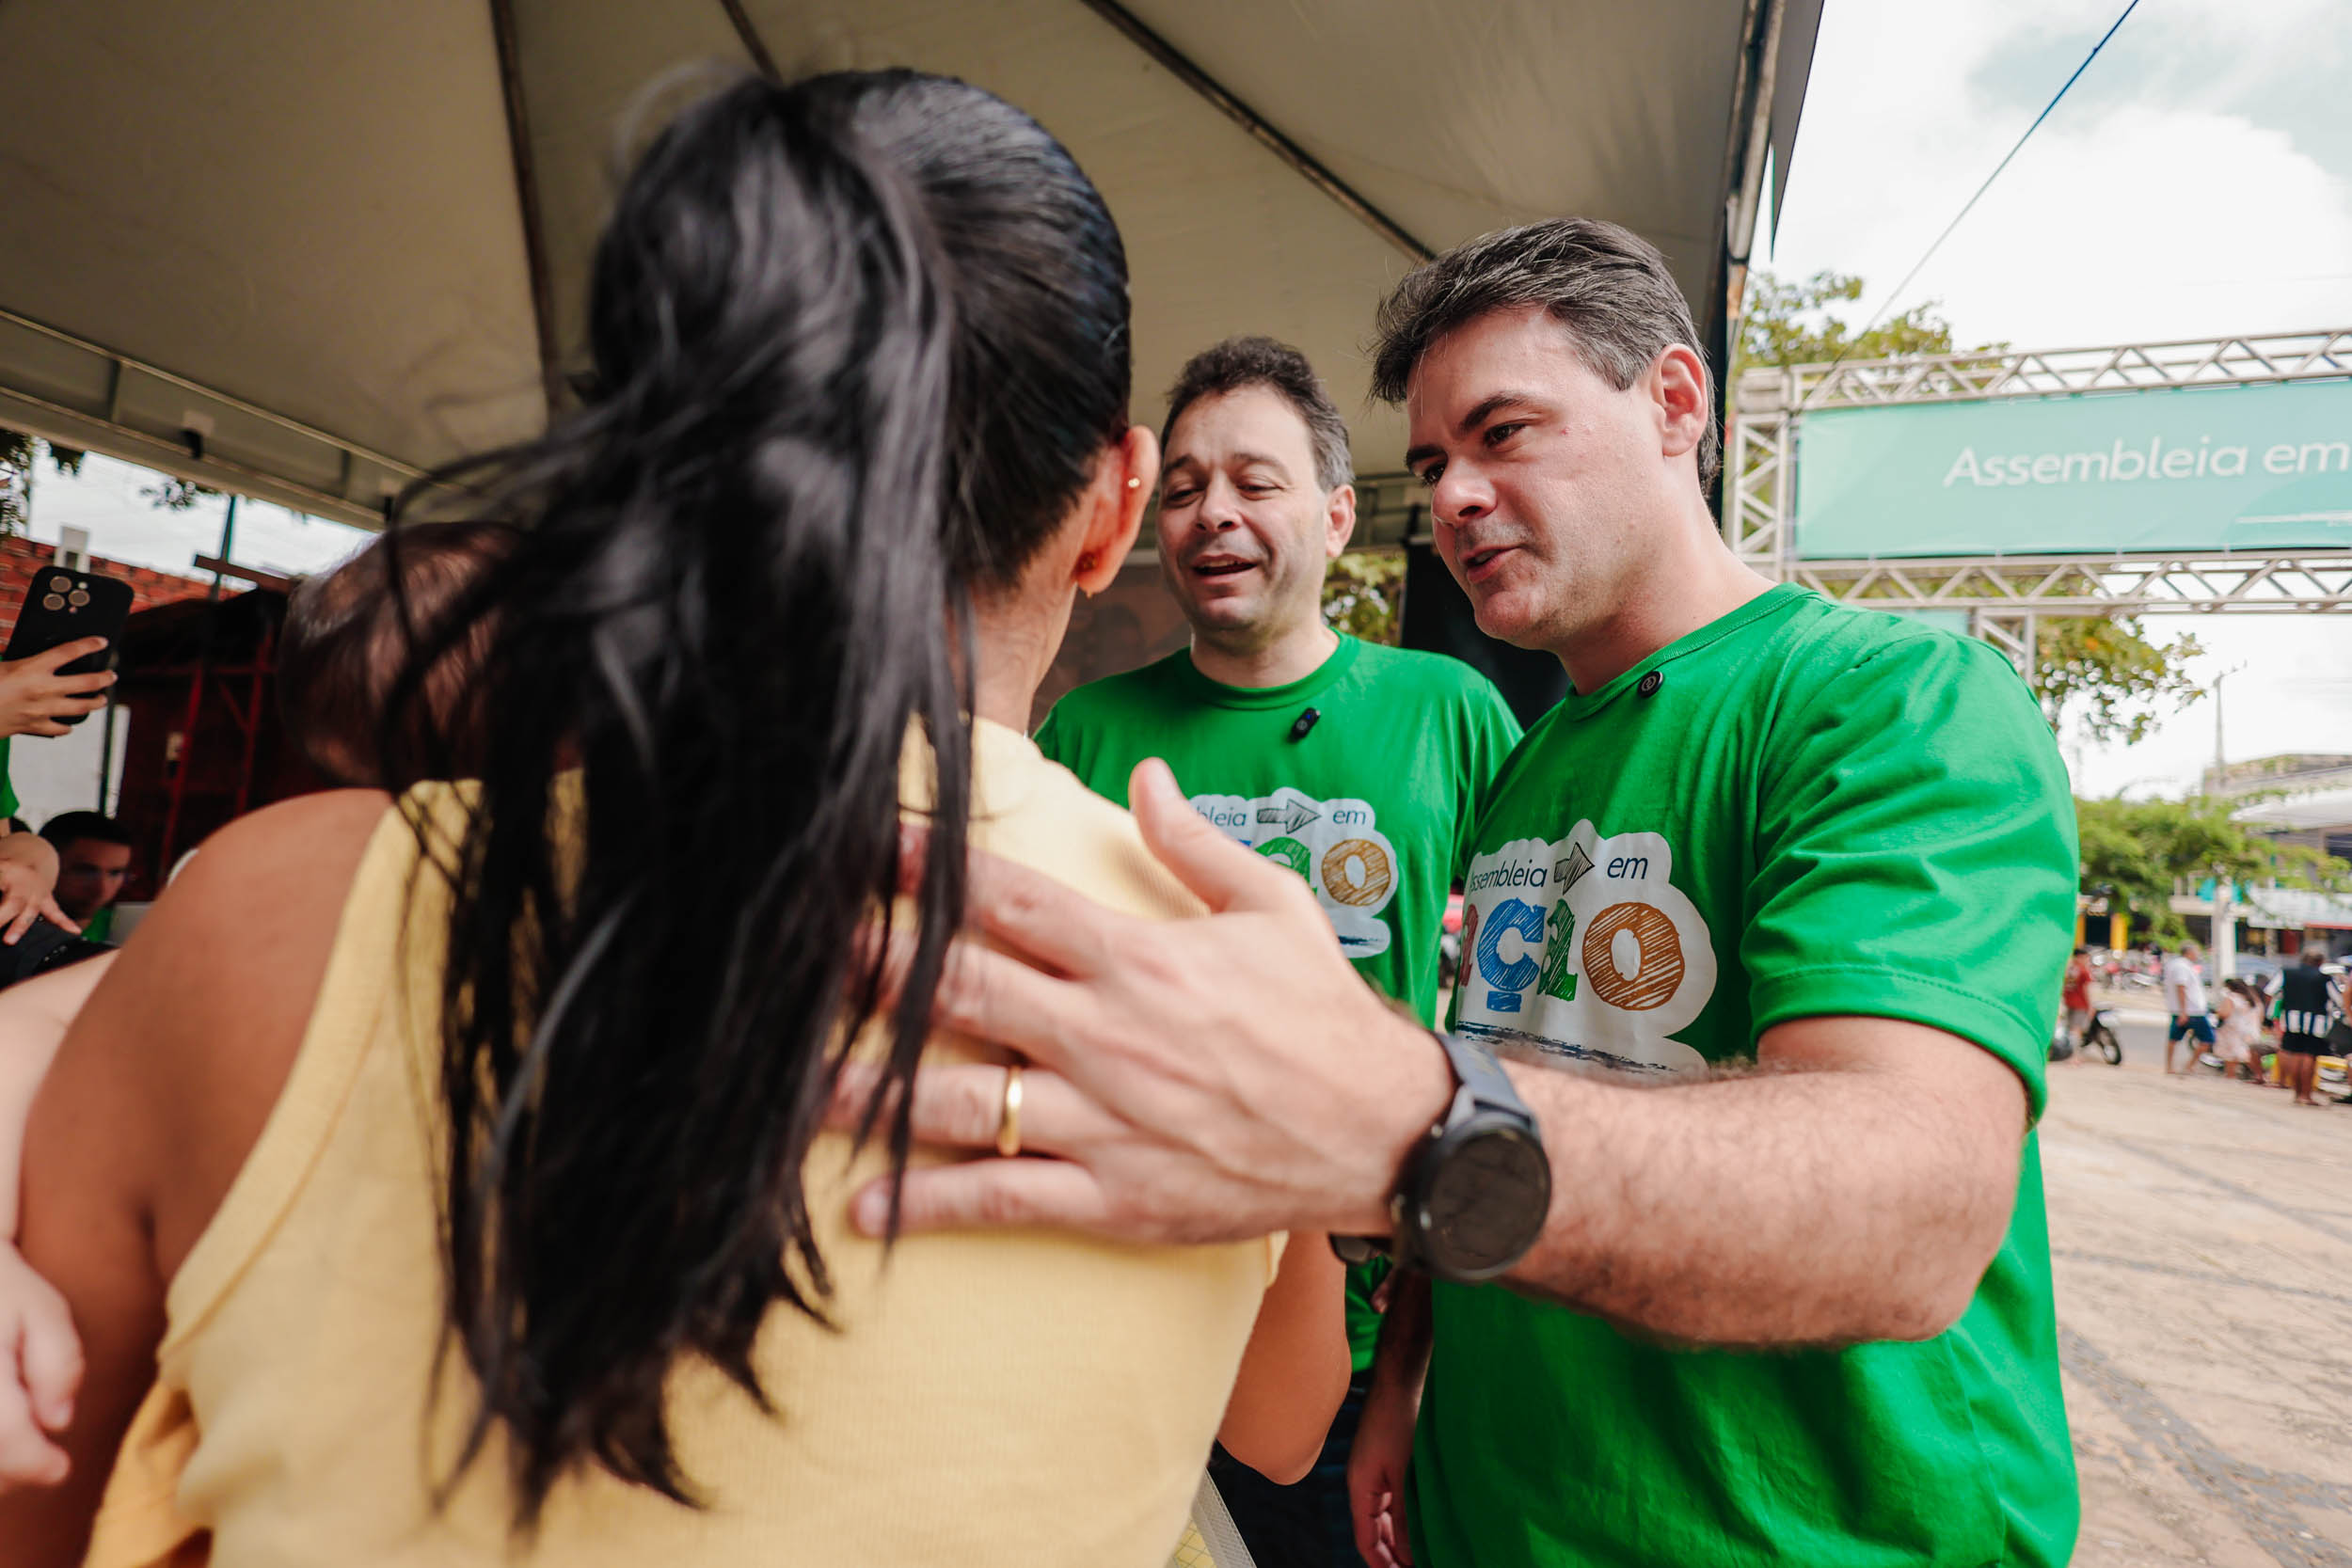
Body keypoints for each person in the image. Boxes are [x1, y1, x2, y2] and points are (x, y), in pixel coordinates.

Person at [0, 70, 1347, 1564]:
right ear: (1115, 505)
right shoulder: (1232, 995)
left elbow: (38, 1493)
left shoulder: (270, 904)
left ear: (651, 469)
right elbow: (1285, 1425)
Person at [836, 216, 2084, 1568]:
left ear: (1675, 402)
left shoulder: (1887, 700)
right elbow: (1514, 1075)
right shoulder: (1532, 755)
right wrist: (1411, 1373)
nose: (1454, 498)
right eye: (1434, 463)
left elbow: (1915, 1212)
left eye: (1506, 434)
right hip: (1488, 1508)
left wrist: (1370, 1102)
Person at [1034, 334, 1519, 1566]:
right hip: (1133, 1304)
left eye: (1255, 481)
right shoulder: (1089, 727)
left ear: (1339, 512)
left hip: (1380, 1320)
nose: (1214, 515)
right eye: (1186, 485)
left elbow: (1515, 995)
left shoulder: (1449, 711)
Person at [33, 815, 130, 944]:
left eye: (115, 873)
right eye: (85, 871)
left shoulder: (130, 928)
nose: (101, 889)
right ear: (44, 866)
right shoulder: (11, 921)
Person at [2274, 946, 2343, 1106]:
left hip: (2291, 1020)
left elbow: (2271, 992)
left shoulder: (2286, 972)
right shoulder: (2324, 978)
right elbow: (2338, 1000)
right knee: (2309, 1056)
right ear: (2320, 962)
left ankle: (2297, 1094)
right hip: (2317, 1023)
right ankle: (2306, 1095)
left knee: (2295, 1054)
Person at [2163, 941, 2215, 1074]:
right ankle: (2188, 1066)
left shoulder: (2178, 964)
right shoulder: (2181, 966)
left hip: (2185, 1010)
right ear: (2189, 952)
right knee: (2207, 1039)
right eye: (2197, 951)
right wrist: (2184, 1011)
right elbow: (2181, 988)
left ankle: (2172, 1067)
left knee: (2173, 1039)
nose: (2198, 954)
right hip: (2192, 1011)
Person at [2214, 976, 2264, 1083]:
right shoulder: (2253, 999)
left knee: (2232, 1054)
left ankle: (2231, 1075)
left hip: (2234, 1030)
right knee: (2240, 1053)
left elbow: (2225, 1014)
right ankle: (2258, 1074)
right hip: (2251, 1031)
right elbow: (2260, 1015)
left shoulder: (2231, 997)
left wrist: (2218, 1013)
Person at [2061, 945, 2094, 1055]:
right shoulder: (2084, 971)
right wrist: (2090, 1006)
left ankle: (2069, 1054)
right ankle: (2075, 1056)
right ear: (2080, 957)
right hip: (2080, 1004)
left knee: (2070, 1029)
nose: (2086, 960)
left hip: (2069, 1002)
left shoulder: (2070, 969)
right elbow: (2086, 990)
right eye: (2085, 958)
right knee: (2077, 1030)